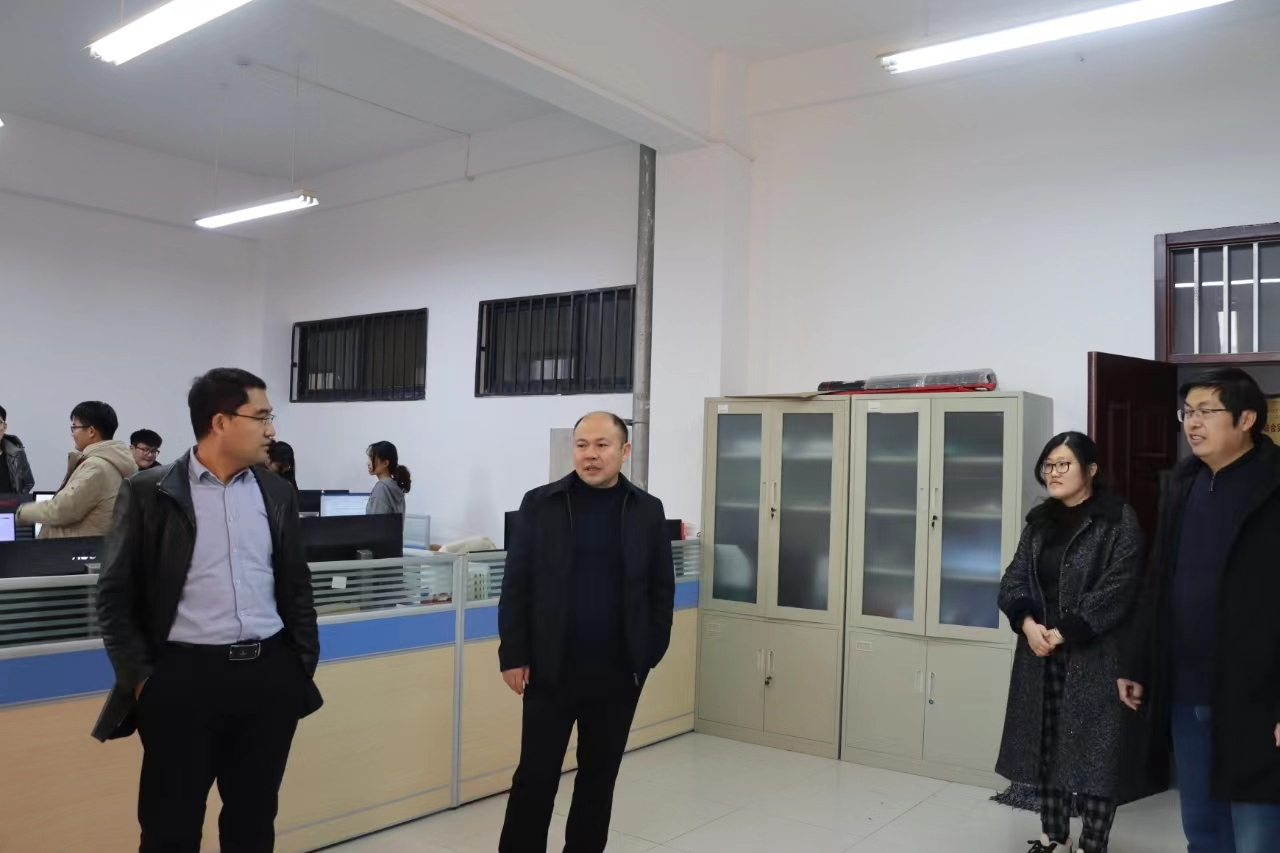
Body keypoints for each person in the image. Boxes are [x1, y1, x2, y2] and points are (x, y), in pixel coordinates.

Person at [92, 368, 323, 853]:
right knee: (170, 829)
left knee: (253, 823)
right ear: (220, 422)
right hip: (182, 681)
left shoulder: (276, 492)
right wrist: (142, 679)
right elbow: (114, 594)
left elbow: (296, 585)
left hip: (268, 678)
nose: (271, 430)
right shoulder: (149, 492)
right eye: (261, 417)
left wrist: (299, 664)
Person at [1118, 367, 1280, 852]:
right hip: (1186, 688)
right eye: (1187, 412)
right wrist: (1138, 662)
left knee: (1258, 832)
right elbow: (1156, 582)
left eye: (1206, 411)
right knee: (1202, 825)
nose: (1192, 423)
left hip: (1256, 694)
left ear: (1246, 418)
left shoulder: (1273, 486)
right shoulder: (1183, 485)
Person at [498, 412, 675, 853]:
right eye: (581, 445)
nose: (590, 455)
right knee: (535, 778)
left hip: (619, 673)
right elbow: (516, 584)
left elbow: (660, 588)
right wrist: (513, 654)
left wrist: (648, 653)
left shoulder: (647, 510)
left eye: (601, 445)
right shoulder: (541, 503)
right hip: (550, 669)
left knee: (598, 779)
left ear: (624, 451)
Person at [996, 432, 1145, 853]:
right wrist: (1027, 624)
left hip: (1094, 656)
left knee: (1096, 756)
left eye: (1064, 464)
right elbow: (1013, 579)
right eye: (1049, 465)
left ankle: (1092, 844)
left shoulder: (1117, 520)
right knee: (1047, 748)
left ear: (1091, 469)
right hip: (1040, 655)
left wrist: (1062, 631)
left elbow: (1118, 588)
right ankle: (1052, 837)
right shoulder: (1039, 521)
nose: (1053, 473)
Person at [16, 401, 136, 538]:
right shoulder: (110, 462)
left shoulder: (96, 467)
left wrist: (21, 512)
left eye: (74, 427)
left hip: (74, 549)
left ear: (91, 431)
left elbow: (63, 509)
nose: (72, 434)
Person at [366, 441, 410, 515]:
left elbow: (375, 521)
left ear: (385, 463)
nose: (368, 463)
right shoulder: (395, 486)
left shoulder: (381, 487)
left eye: (372, 458)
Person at [0, 404, 35, 494]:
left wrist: (17, 499)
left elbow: (29, 483)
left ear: (4, 427)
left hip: (9, 503)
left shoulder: (16, 453)